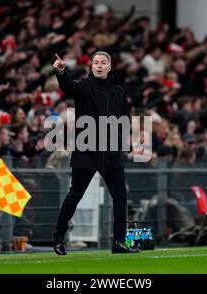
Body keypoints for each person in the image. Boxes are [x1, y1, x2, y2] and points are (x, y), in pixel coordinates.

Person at [52, 51, 139, 255]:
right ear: (92, 67)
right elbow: (67, 87)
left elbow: (125, 120)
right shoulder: (83, 87)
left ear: (109, 67)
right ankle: (58, 236)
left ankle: (119, 242)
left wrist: (123, 143)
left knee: (120, 197)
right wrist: (62, 73)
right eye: (96, 63)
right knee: (75, 195)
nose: (99, 66)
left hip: (111, 155)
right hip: (87, 152)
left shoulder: (118, 92)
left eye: (103, 63)